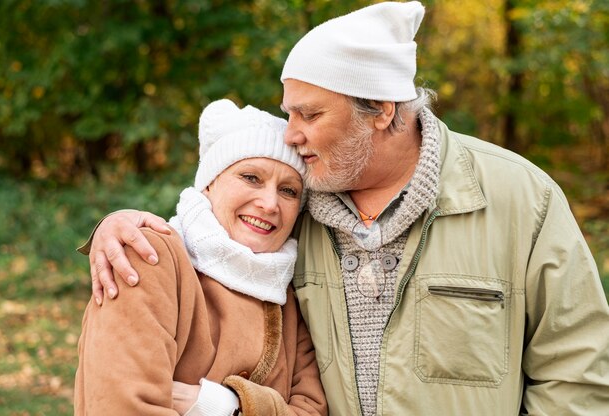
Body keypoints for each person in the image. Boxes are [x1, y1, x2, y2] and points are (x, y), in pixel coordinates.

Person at [83, 2, 609, 415]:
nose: (291, 135)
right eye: (289, 113)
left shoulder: (521, 199)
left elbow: (578, 373)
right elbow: (212, 223)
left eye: (309, 114)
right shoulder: (295, 210)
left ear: (379, 110)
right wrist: (118, 224)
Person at [73, 99, 327, 416]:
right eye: (251, 177)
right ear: (209, 182)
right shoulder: (148, 255)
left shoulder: (288, 294)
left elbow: (312, 409)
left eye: (289, 190)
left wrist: (223, 407)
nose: (270, 203)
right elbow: (123, 405)